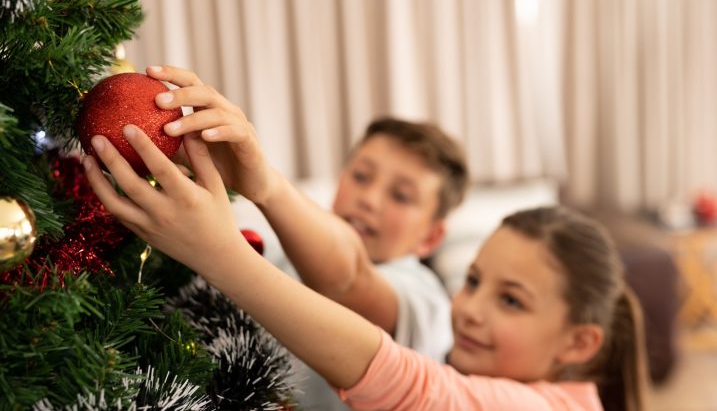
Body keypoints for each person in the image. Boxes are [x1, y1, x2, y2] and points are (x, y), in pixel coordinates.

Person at [83, 121, 649, 410]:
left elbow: (352, 283)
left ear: (431, 235)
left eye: (510, 300)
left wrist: (228, 241)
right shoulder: (272, 243)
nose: (469, 309)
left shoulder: (419, 292)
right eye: (473, 281)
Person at [146, 65, 468, 408]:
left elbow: (348, 281)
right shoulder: (274, 251)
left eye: (401, 196)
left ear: (431, 238)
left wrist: (266, 186)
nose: (370, 199)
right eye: (361, 176)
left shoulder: (424, 298)